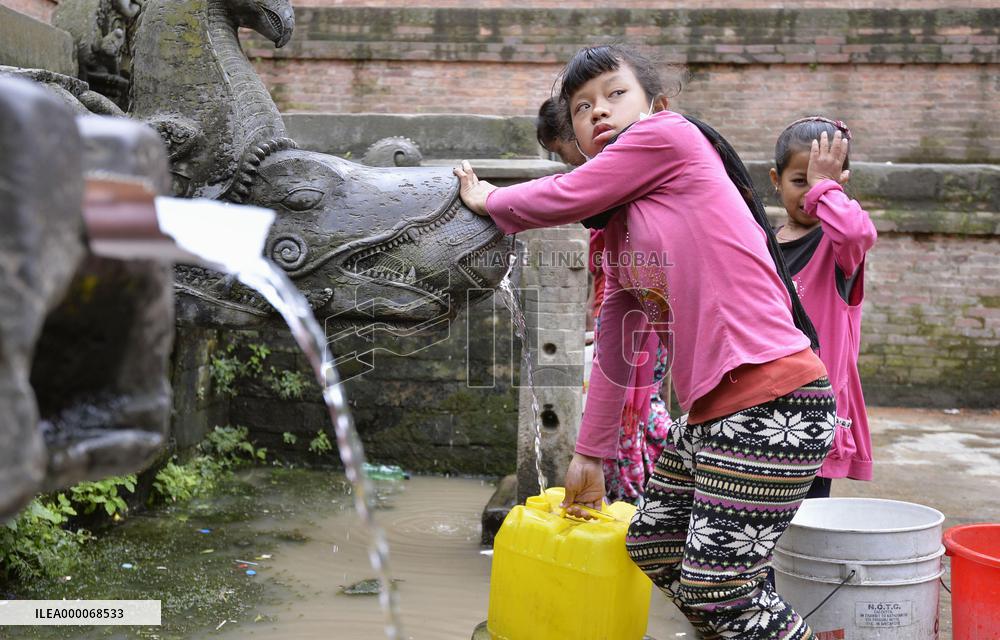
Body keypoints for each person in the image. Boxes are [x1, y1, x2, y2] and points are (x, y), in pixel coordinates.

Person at [456, 44, 836, 639]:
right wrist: (591, 455)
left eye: (614, 94)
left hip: (776, 401)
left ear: (655, 104)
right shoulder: (621, 232)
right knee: (654, 542)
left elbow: (566, 195)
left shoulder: (671, 137)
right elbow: (615, 344)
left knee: (720, 586)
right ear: (577, 136)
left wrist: (490, 201)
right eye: (582, 108)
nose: (598, 112)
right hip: (714, 413)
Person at [536, 98, 673, 504]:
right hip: (627, 324)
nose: (571, 169)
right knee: (633, 414)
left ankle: (648, 491)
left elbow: (627, 280)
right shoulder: (612, 196)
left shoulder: (620, 189)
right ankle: (642, 494)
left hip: (639, 328)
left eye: (567, 155)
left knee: (633, 415)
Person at [771, 117, 877, 495]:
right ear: (775, 180)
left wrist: (823, 189)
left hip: (813, 417)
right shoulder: (759, 243)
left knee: (805, 528)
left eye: (820, 184)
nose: (808, 195)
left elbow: (855, 231)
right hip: (760, 406)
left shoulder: (838, 248)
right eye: (800, 181)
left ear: (839, 184)